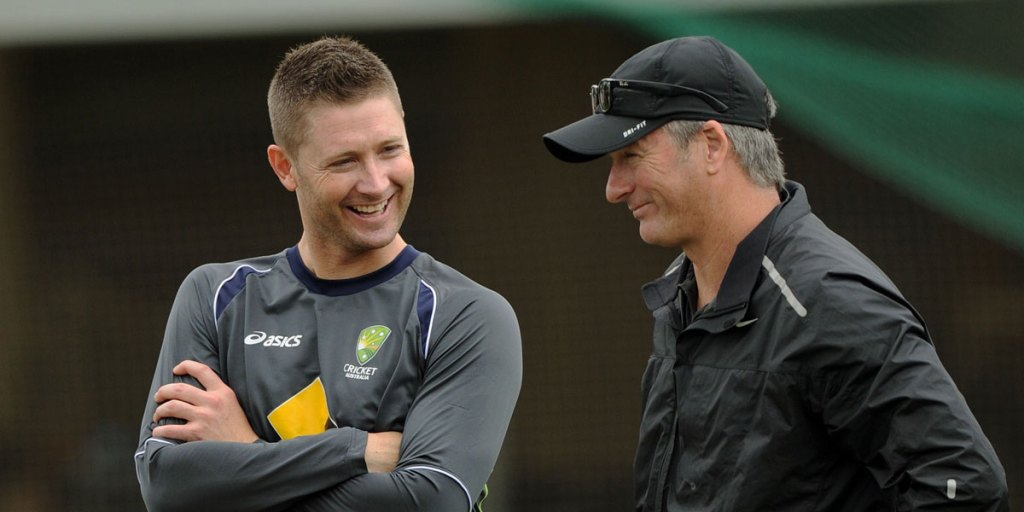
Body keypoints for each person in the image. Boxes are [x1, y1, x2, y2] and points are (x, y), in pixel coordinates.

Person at [542, 35, 1008, 511]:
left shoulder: (828, 301)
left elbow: (962, 487)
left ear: (712, 145)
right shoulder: (682, 291)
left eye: (631, 156)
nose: (614, 189)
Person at [134, 36, 522, 512]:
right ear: (285, 167)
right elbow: (168, 487)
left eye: (389, 150)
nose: (377, 182)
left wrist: (245, 453)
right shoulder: (215, 296)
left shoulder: (467, 314)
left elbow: (430, 502)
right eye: (345, 161)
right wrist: (357, 449)